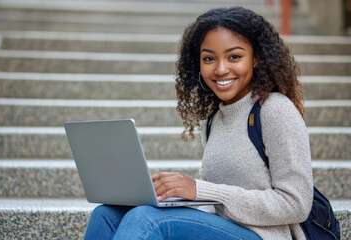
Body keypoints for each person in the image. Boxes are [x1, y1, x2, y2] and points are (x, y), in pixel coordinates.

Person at [84, 6, 313, 240]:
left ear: (255, 58)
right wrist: (171, 197)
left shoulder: (274, 109)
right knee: (106, 215)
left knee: (145, 220)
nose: (221, 69)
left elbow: (296, 204)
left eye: (234, 56)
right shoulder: (214, 119)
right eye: (209, 59)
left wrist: (198, 190)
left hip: (263, 236)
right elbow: (212, 202)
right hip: (219, 229)